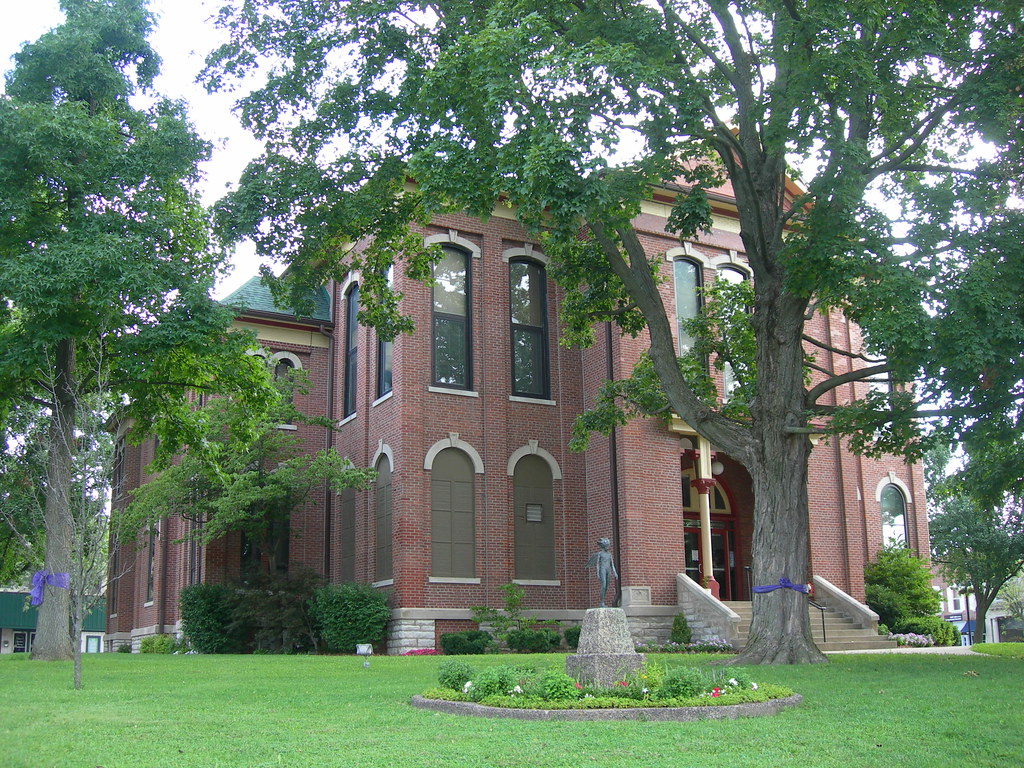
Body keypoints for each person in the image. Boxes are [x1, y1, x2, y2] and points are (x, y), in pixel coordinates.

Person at [585, 537, 618, 607]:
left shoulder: (609, 554)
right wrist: (597, 573)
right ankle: (601, 602)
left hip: (608, 570)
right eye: (606, 546)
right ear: (603, 546)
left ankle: (603, 600)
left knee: (606, 587)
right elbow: (597, 564)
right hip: (602, 569)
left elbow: (612, 564)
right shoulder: (600, 554)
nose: (607, 547)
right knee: (603, 585)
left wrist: (615, 572)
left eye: (608, 546)